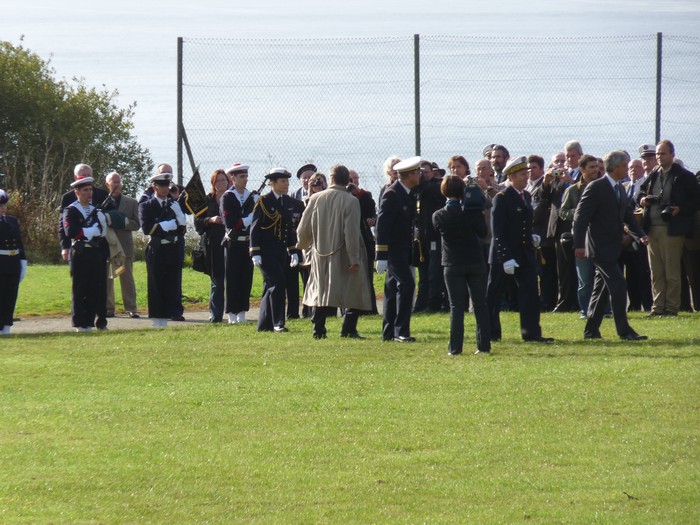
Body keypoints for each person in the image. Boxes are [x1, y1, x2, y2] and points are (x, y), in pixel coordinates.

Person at [574, 150, 649, 341]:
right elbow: (580, 218)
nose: (627, 169)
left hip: (612, 247)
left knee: (601, 290)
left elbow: (627, 216)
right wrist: (579, 245)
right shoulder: (596, 187)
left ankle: (591, 331)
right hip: (598, 248)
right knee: (618, 284)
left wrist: (640, 235)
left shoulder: (619, 188)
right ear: (615, 167)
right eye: (624, 165)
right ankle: (624, 331)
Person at [296, 164, 372, 339]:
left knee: (320, 290)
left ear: (330, 178)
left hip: (319, 252)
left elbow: (302, 229)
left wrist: (304, 247)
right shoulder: (351, 200)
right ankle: (348, 328)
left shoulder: (315, 198)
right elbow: (351, 232)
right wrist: (354, 258)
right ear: (348, 180)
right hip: (344, 253)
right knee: (353, 289)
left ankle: (318, 329)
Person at [486, 156, 554, 343]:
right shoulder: (502, 198)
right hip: (504, 255)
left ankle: (531, 332)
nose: (527, 177)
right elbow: (498, 231)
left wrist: (532, 235)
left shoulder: (526, 196)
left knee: (530, 293)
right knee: (494, 294)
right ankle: (491, 332)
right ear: (513, 176)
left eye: (527, 173)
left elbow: (524, 223)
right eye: (523, 174)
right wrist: (505, 257)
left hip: (524, 253)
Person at [638, 140, 700, 316]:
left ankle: (671, 308)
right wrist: (642, 200)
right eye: (657, 154)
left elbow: (696, 200)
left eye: (663, 153)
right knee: (656, 272)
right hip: (652, 228)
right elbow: (640, 193)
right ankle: (657, 308)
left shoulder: (683, 176)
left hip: (672, 229)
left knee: (671, 271)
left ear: (672, 155)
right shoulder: (654, 174)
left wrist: (679, 209)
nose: (659, 157)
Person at [432, 176, 490, 355]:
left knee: (456, 307)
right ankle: (483, 346)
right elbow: (483, 232)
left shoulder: (439, 215)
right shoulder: (471, 212)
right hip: (474, 260)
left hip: (452, 262)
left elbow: (437, 231)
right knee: (480, 305)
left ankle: (455, 348)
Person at [375, 156, 421, 342]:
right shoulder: (392, 194)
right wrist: (381, 255)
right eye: (416, 173)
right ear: (409, 175)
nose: (419, 176)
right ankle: (401, 331)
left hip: (403, 249)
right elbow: (382, 226)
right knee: (407, 284)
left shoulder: (408, 193)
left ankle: (389, 332)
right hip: (393, 251)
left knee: (392, 289)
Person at [58, 163, 110, 329]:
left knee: (96, 286)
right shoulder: (71, 210)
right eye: (85, 190)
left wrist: (97, 228)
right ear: (77, 192)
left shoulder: (95, 209)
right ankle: (81, 323)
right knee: (80, 288)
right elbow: (71, 231)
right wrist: (90, 231)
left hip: (95, 252)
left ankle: (93, 320)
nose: (89, 193)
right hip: (80, 253)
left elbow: (101, 231)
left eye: (90, 190)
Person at [250, 168, 301, 332]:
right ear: (273, 183)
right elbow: (255, 228)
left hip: (280, 252)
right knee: (278, 283)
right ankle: (278, 322)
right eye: (282, 181)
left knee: (269, 287)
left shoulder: (287, 201)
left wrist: (293, 250)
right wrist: (255, 252)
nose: (286, 184)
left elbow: (289, 229)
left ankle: (264, 325)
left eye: (287, 181)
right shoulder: (264, 201)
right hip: (265, 252)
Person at [138, 169, 187, 328]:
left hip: (173, 248)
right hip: (157, 249)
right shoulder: (146, 206)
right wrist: (166, 225)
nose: (165, 188)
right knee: (156, 284)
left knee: (173, 283)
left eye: (167, 184)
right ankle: (158, 318)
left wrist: (178, 217)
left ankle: (174, 312)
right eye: (161, 185)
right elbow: (146, 228)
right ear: (154, 187)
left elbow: (181, 228)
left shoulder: (174, 204)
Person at [559, 155, 601, 318]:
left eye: (597, 167)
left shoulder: (602, 187)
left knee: (602, 277)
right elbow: (562, 212)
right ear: (582, 169)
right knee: (585, 280)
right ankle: (585, 310)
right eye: (591, 167)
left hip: (600, 238)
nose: (595, 170)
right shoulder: (572, 190)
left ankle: (604, 310)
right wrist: (578, 213)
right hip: (581, 239)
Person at [220, 164, 257, 324]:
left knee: (246, 279)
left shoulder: (251, 197)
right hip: (233, 243)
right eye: (242, 177)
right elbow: (229, 222)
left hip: (247, 243)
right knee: (233, 278)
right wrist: (249, 220)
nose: (245, 179)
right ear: (233, 178)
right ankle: (231, 314)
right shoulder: (227, 197)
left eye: (246, 176)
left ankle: (242, 311)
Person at [104, 171, 141, 318]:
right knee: (108, 278)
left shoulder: (131, 202)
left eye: (119, 182)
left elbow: (137, 224)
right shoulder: (103, 202)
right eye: (114, 182)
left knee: (126, 278)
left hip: (124, 248)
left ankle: (131, 308)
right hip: (108, 246)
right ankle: (108, 308)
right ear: (108, 184)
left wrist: (124, 222)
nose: (117, 185)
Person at [195, 168, 229, 323]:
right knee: (216, 280)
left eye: (224, 180)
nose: (221, 183)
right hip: (212, 245)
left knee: (230, 279)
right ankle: (215, 315)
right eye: (218, 181)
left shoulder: (231, 198)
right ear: (213, 184)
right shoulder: (207, 200)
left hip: (229, 244)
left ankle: (232, 312)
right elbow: (197, 223)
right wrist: (210, 219)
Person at [414, 159, 447, 313]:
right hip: (422, 238)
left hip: (435, 237)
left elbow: (430, 189)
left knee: (434, 273)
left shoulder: (436, 186)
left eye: (425, 172)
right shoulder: (418, 189)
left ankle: (434, 304)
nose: (422, 175)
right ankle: (421, 304)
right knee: (423, 273)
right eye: (419, 172)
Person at [348, 169, 378, 314]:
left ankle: (371, 308)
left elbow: (371, 210)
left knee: (367, 276)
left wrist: (358, 192)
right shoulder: (342, 196)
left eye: (356, 178)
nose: (354, 181)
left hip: (365, 240)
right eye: (350, 179)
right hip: (349, 241)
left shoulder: (365, 196)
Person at [0, 189, 28, 335]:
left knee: (11, 296)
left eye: (4, 204)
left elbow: (19, 244)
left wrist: (22, 262)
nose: (3, 207)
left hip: (13, 262)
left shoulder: (12, 221)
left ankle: (6, 325)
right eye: (0, 205)